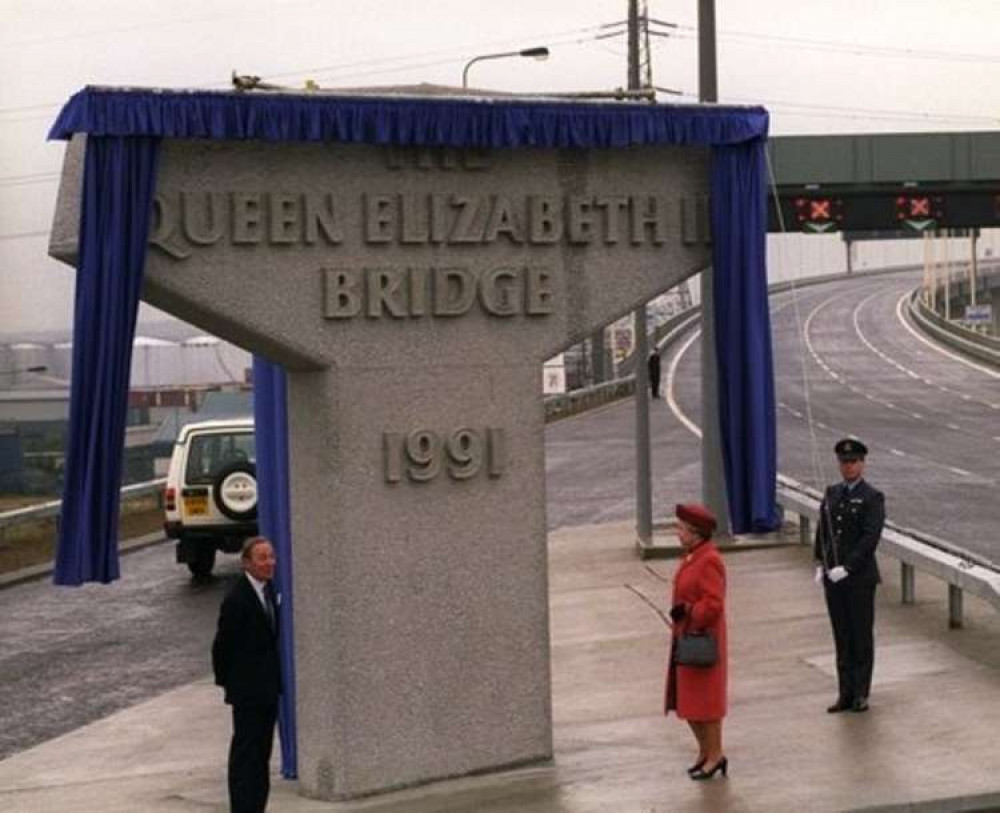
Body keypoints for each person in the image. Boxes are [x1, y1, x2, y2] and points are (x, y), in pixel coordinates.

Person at [814, 438, 885, 714]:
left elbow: (870, 538)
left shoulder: (872, 497)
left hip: (858, 578)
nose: (848, 467)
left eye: (853, 462)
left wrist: (849, 567)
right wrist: (820, 561)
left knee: (860, 636)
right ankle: (844, 692)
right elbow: (824, 530)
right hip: (834, 577)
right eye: (844, 462)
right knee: (841, 636)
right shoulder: (832, 493)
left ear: (862, 464)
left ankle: (860, 693)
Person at [212, 537, 282, 813]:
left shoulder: (268, 591)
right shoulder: (237, 599)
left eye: (271, 557)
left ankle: (257, 806)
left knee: (261, 755)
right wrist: (231, 683)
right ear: (247, 563)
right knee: (245, 755)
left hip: (267, 689)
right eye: (263, 558)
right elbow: (222, 646)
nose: (270, 563)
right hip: (247, 691)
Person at [664, 503, 728, 780]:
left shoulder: (709, 560)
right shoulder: (692, 556)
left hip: (703, 642)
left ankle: (715, 755)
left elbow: (714, 604)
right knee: (689, 705)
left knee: (706, 706)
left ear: (696, 533)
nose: (677, 533)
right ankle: (705, 752)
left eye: (681, 528)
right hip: (688, 639)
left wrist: (689, 612)